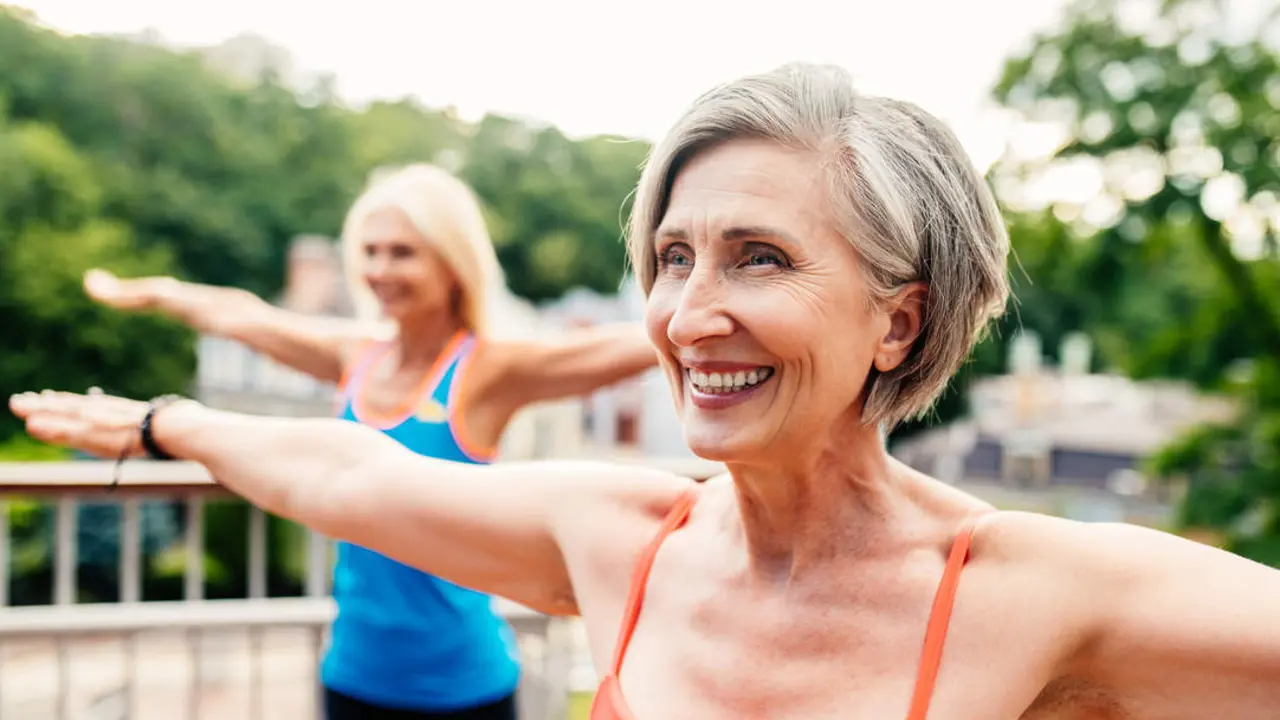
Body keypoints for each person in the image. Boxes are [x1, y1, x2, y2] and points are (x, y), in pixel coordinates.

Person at [11, 63, 1280, 720]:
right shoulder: (622, 538)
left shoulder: (1040, 592)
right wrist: (161, 422)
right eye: (673, 258)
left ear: (897, 319)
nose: (684, 314)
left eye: (759, 258)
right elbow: (351, 473)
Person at [74, 163, 660, 720]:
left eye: (402, 252)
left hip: (463, 685)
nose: (379, 270)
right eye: (371, 251)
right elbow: (244, 316)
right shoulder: (356, 355)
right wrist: (153, 292)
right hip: (354, 677)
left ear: (452, 262)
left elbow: (621, 348)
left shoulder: (486, 371)